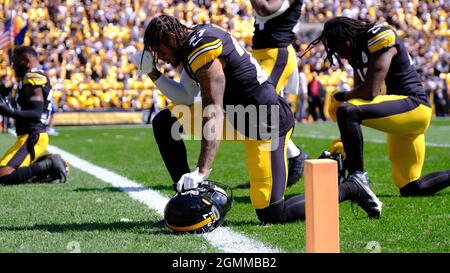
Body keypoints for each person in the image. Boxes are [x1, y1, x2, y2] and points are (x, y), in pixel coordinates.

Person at [141, 15, 379, 224]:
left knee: (272, 212)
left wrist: (202, 170)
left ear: (172, 38)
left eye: (162, 53)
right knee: (165, 121)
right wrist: (153, 73)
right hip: (239, 116)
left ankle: (351, 188)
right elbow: (185, 96)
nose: (163, 59)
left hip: (266, 122)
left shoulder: (201, 48)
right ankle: (187, 197)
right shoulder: (193, 39)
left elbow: (212, 111)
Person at [302, 17, 449, 198]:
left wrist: (342, 96)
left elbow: (370, 92)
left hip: (414, 106)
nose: (341, 54)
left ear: (348, 36)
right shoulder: (356, 53)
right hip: (400, 120)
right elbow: (360, 97)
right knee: (411, 187)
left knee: (345, 109)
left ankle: (357, 177)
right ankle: (347, 162)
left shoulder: (379, 36)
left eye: (340, 47)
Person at [250, 0, 308, 186]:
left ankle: (280, 168)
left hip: (276, 54)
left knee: (258, 108)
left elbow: (264, 8)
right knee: (265, 113)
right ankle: (292, 157)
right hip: (261, 53)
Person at [0, 46, 68, 186]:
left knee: (3, 176)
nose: (13, 66)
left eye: (15, 62)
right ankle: (49, 165)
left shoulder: (32, 78)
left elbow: (36, 114)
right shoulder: (28, 78)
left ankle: (49, 164)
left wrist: (9, 112)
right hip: (28, 135)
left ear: (26, 61)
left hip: (32, 135)